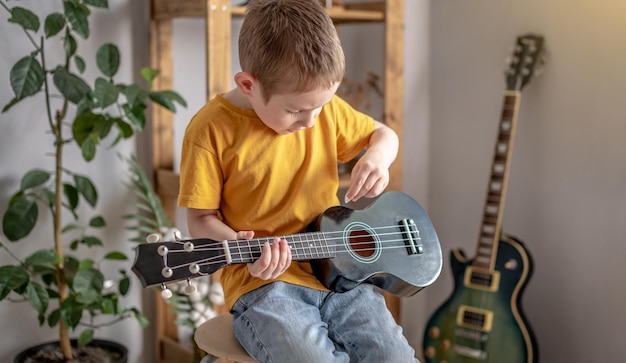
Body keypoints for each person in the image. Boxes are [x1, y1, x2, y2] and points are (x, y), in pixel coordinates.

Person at [178, 0, 418, 361]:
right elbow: (200, 219)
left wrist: (377, 158)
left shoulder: (325, 110)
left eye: (321, 105)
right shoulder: (210, 129)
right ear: (248, 85)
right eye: (296, 110)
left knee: (393, 356)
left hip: (339, 273)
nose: (311, 120)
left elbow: (384, 134)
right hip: (263, 283)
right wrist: (246, 253)